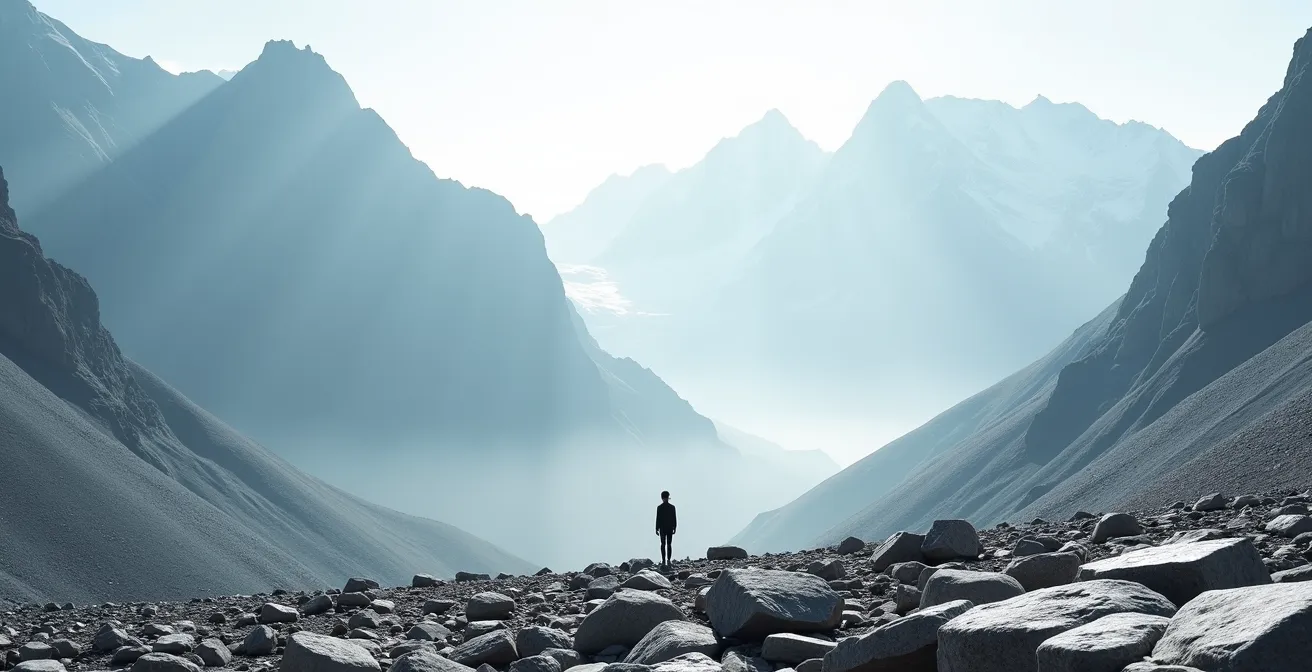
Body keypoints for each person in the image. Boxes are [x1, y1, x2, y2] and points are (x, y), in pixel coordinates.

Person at [655, 490, 677, 567]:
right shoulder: (660, 508)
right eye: (664, 498)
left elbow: (674, 518)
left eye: (666, 497)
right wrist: (656, 528)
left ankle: (668, 560)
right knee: (663, 544)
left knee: (669, 544)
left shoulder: (672, 507)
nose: (665, 499)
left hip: (669, 528)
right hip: (663, 528)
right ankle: (664, 560)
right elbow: (657, 518)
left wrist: (675, 527)